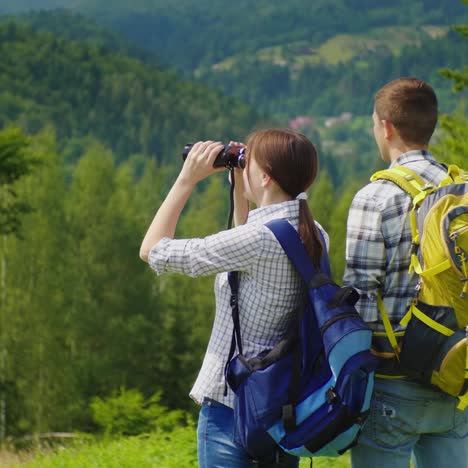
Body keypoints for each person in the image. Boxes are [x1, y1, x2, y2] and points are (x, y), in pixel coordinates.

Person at [139, 128, 329, 468]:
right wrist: (241, 190)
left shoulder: (257, 241)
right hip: (285, 402)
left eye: (248, 162)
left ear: (267, 176)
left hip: (231, 406)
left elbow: (153, 251)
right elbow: (253, 254)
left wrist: (186, 180)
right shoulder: (314, 234)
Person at [343, 77, 468, 468]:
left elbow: (358, 295)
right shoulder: (462, 188)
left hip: (393, 384)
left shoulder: (375, 196)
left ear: (386, 126)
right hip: (455, 373)